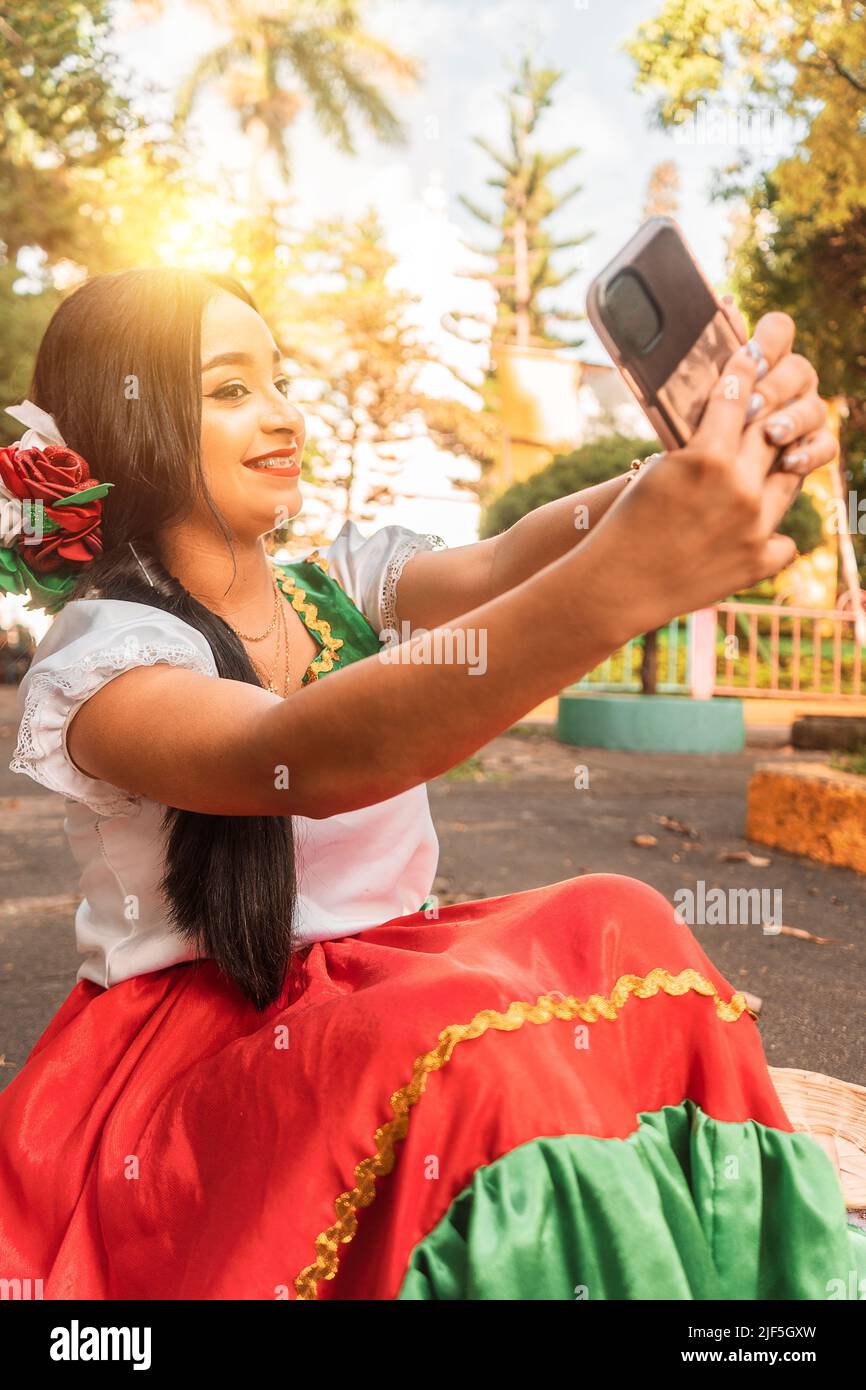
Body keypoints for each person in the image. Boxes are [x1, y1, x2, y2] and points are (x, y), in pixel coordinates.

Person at [0, 268, 861, 1301]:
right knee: (467, 1055)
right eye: (229, 391)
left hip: (395, 979)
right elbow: (300, 758)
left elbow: (510, 559)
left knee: (620, 916)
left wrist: (690, 466)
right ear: (122, 419)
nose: (282, 416)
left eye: (281, 380)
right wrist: (620, 587)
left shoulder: (338, 582)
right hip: (204, 1046)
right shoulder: (104, 658)